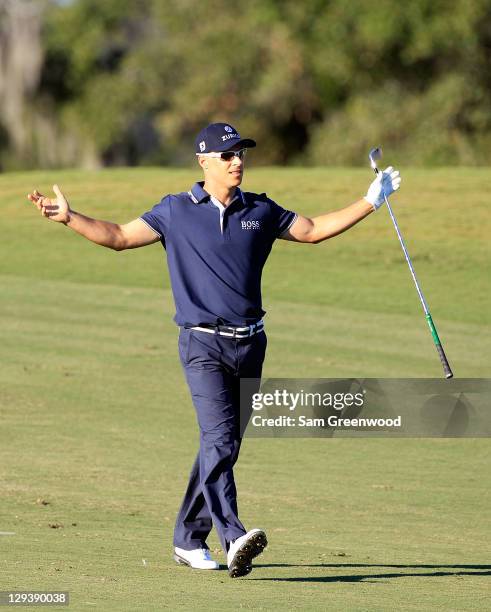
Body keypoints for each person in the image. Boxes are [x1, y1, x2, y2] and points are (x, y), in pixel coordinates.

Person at [27, 122, 401, 578]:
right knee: (220, 440)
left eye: (240, 153)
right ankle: (233, 537)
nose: (237, 161)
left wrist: (370, 201)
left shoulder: (261, 210)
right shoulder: (175, 211)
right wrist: (70, 217)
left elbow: (314, 230)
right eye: (227, 155)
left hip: (251, 345)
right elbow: (119, 237)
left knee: (222, 444)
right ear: (204, 162)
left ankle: (187, 537)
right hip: (202, 343)